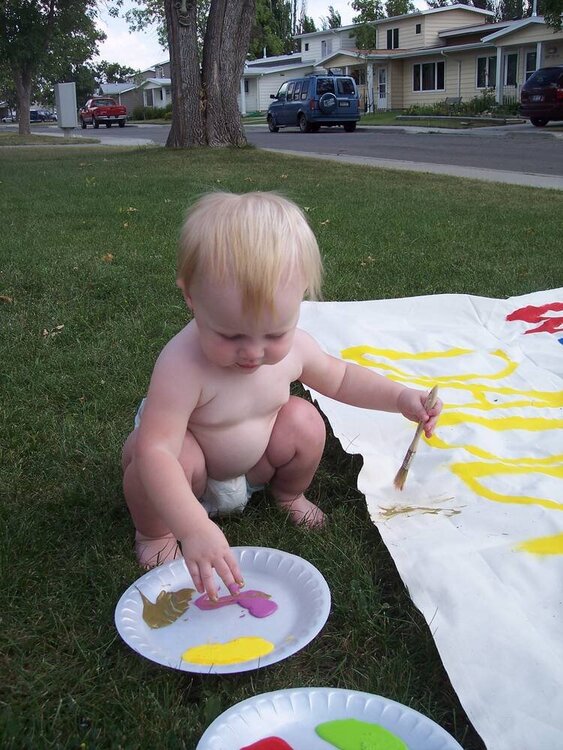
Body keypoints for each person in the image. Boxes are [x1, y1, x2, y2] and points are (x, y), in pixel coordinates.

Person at [121, 191, 442, 601]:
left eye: (274, 333)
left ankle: (288, 493)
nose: (253, 352)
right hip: (188, 482)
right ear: (190, 296)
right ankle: (154, 531)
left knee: (304, 419)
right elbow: (157, 452)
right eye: (230, 334)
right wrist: (191, 527)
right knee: (158, 453)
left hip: (251, 470)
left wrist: (400, 399)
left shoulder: (295, 350)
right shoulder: (181, 366)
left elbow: (341, 378)